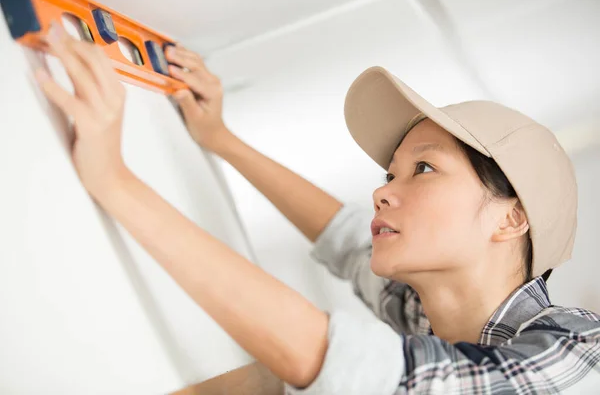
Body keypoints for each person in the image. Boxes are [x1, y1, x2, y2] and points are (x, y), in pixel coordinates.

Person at [36, 22, 600, 394]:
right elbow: (346, 235)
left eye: (424, 169)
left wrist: (113, 179)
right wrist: (221, 139)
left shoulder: (579, 350)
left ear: (510, 218)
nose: (382, 191)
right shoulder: (420, 310)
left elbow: (357, 369)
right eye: (389, 173)